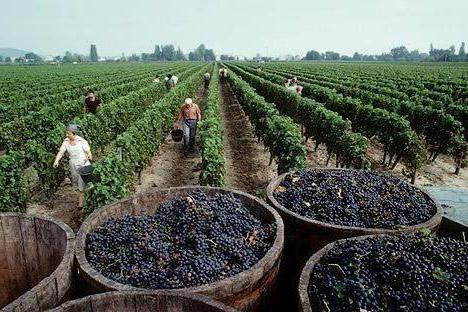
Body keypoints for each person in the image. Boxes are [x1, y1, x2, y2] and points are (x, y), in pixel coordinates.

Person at [53, 124, 92, 211]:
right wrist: (56, 161)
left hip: (83, 164)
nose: (67, 135)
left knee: (82, 183)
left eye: (68, 133)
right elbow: (61, 152)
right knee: (77, 183)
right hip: (73, 165)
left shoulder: (82, 141)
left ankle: (81, 203)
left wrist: (89, 155)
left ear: (74, 133)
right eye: (66, 133)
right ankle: (83, 197)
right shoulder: (66, 142)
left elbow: (88, 152)